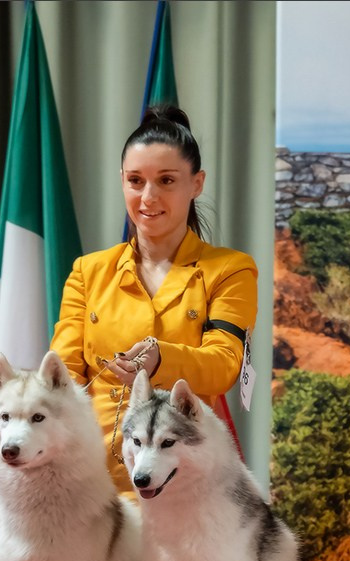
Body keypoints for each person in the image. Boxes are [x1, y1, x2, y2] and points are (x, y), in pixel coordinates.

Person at [50, 104, 258, 493]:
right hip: (93, 485)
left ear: (196, 184)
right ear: (122, 181)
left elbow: (225, 366)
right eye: (135, 180)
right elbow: (62, 381)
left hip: (189, 484)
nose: (148, 197)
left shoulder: (230, 269)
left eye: (166, 180)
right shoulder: (88, 271)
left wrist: (162, 359)